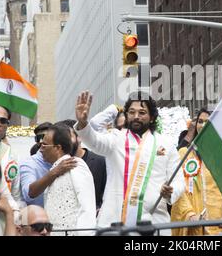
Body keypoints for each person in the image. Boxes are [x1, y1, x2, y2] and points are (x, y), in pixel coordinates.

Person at [74, 91, 185, 234]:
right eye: (131, 112)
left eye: (142, 112)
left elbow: (178, 181)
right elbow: (93, 140)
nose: (136, 116)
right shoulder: (115, 139)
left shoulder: (166, 144)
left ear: (152, 117)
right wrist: (83, 123)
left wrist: (171, 191)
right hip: (115, 222)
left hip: (154, 222)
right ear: (126, 115)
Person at [171, 109, 222, 236]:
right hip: (194, 223)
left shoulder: (221, 156)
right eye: (200, 121)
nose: (203, 125)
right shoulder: (184, 153)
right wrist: (191, 216)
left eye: (208, 122)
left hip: (218, 223)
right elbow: (179, 189)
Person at [41, 125, 96, 236]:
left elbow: (87, 207)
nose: (40, 148)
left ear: (58, 148)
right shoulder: (54, 170)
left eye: (44, 145)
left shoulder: (76, 165)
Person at [56, 120, 107, 214]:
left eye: (65, 138)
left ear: (79, 137)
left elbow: (106, 194)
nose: (62, 143)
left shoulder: (100, 162)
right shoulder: (55, 164)